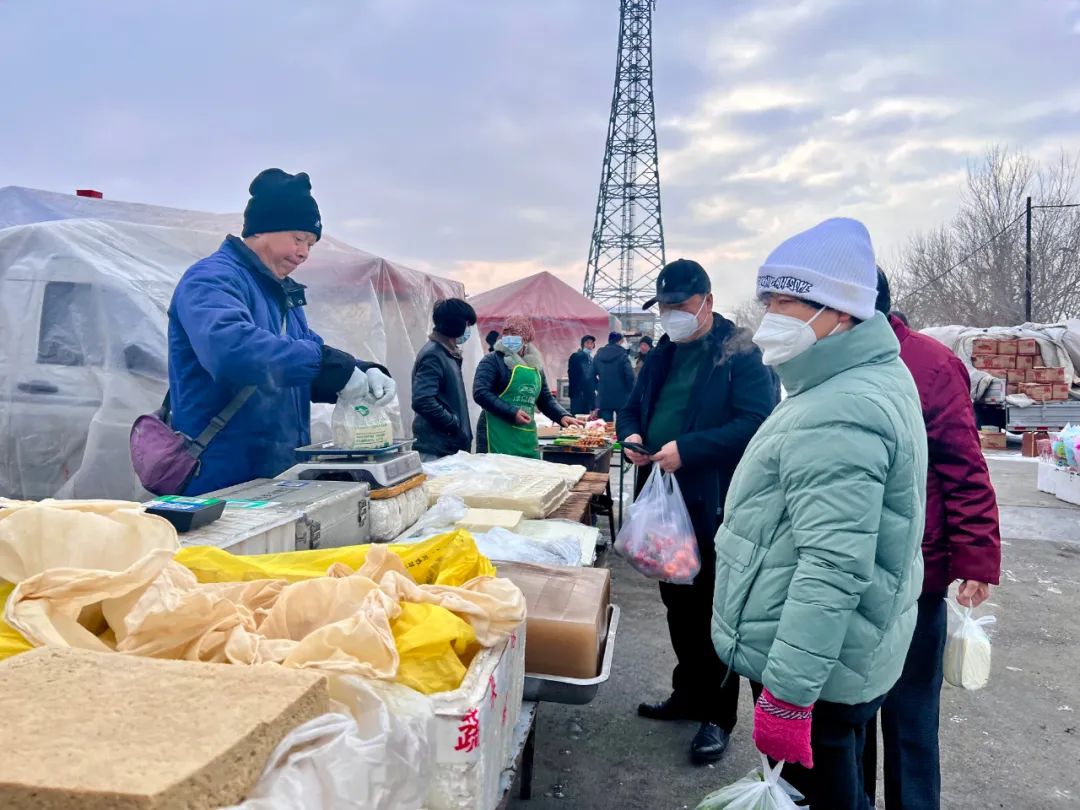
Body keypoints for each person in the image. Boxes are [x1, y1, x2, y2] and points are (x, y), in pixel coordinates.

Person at [710, 218, 927, 810]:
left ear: (842, 313)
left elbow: (832, 564)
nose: (771, 316)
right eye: (769, 300)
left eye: (787, 302)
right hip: (838, 655)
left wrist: (787, 695)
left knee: (826, 791)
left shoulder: (843, 407)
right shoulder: (853, 379)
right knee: (844, 778)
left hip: (813, 665)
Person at [618, 258, 776, 765]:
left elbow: (756, 422)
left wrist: (689, 448)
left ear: (707, 302)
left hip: (713, 502)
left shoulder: (739, 351)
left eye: (680, 307)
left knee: (714, 610)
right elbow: (632, 406)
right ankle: (687, 694)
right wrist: (633, 435)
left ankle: (718, 715)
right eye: (664, 308)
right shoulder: (662, 352)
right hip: (663, 501)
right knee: (677, 605)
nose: (671, 317)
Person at [863, 270, 1001, 810]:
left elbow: (964, 469)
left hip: (916, 573)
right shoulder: (832, 367)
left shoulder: (930, 364)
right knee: (850, 713)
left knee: (910, 717)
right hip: (852, 570)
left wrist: (976, 559)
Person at [167, 168, 395, 495]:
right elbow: (232, 350)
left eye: (311, 244)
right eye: (298, 238)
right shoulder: (211, 279)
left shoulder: (282, 294)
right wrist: (333, 367)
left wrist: (362, 371)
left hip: (277, 471)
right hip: (220, 476)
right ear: (262, 230)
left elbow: (309, 354)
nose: (304, 252)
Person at [473, 316, 582, 456]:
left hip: (525, 433)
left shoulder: (535, 365)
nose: (508, 337)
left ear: (525, 338)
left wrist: (561, 416)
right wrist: (512, 412)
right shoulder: (493, 360)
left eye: (514, 333)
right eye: (506, 333)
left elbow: (545, 399)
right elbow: (481, 392)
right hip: (496, 432)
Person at [411, 298, 478, 462]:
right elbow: (422, 399)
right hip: (437, 449)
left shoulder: (448, 353)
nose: (468, 329)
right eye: (467, 324)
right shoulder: (434, 355)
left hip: (448, 447)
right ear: (456, 324)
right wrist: (453, 423)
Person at [594, 331, 635, 421]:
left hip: (604, 397)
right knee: (623, 425)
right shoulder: (623, 355)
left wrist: (599, 386)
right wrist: (629, 390)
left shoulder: (598, 355)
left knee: (605, 427)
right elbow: (630, 375)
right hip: (622, 397)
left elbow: (590, 376)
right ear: (619, 341)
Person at [567, 335, 598, 416]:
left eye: (591, 343)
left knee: (586, 419)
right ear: (582, 344)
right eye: (587, 343)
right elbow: (581, 376)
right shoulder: (576, 356)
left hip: (588, 395)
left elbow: (592, 377)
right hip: (578, 395)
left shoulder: (591, 359)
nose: (590, 345)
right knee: (577, 419)